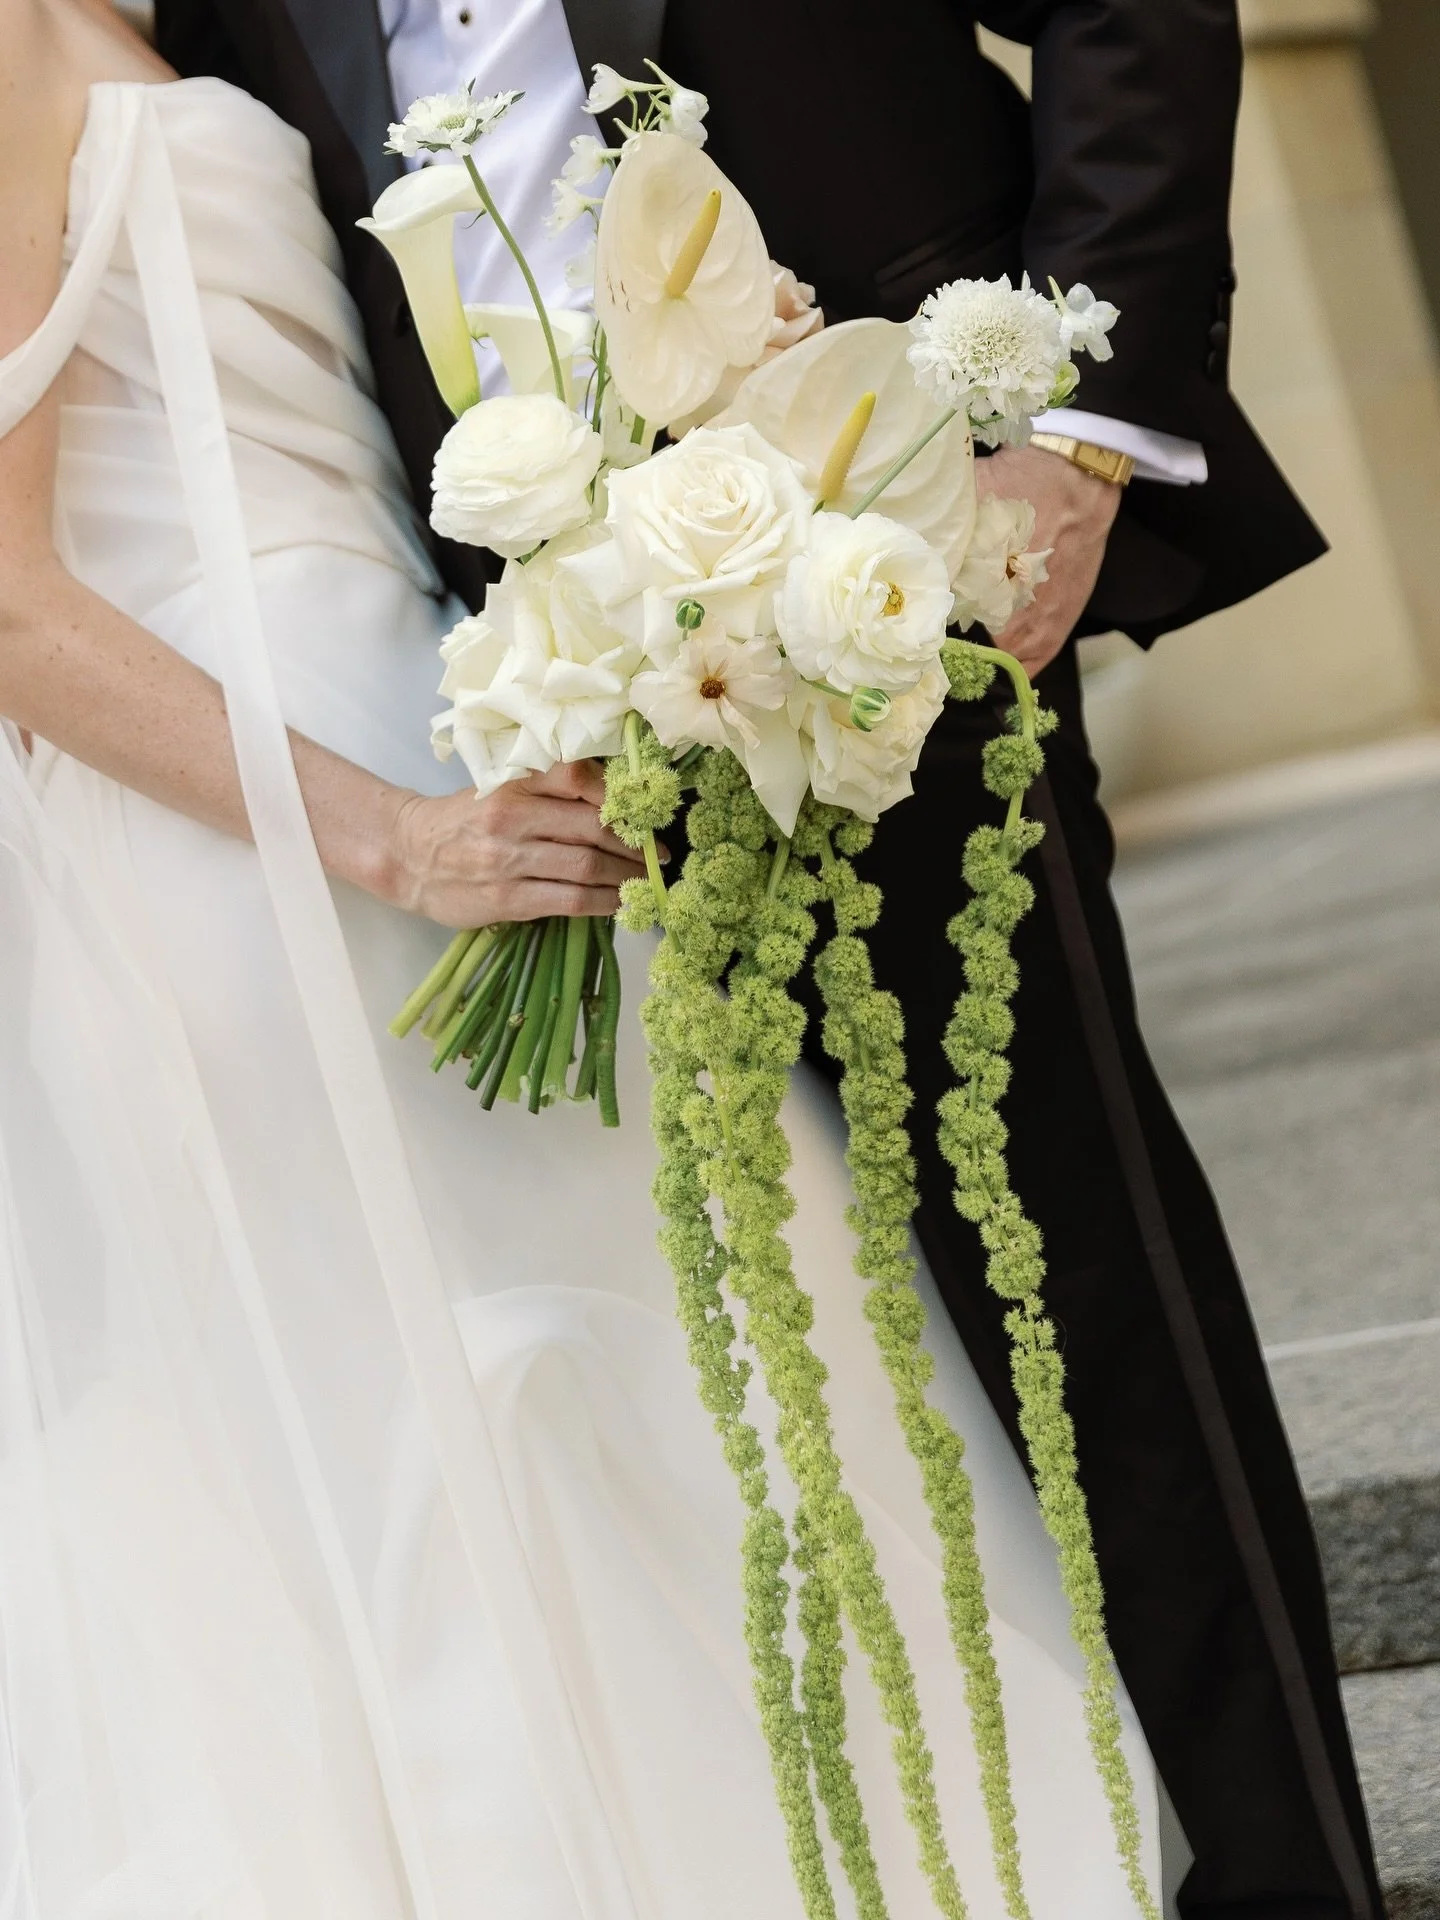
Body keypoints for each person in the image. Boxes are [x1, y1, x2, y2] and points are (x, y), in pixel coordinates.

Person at [140, 3, 1385, 1919]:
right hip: (516, 699)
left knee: (1066, 1259)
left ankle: (1278, 1880)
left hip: (886, 562)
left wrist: (1077, 436)